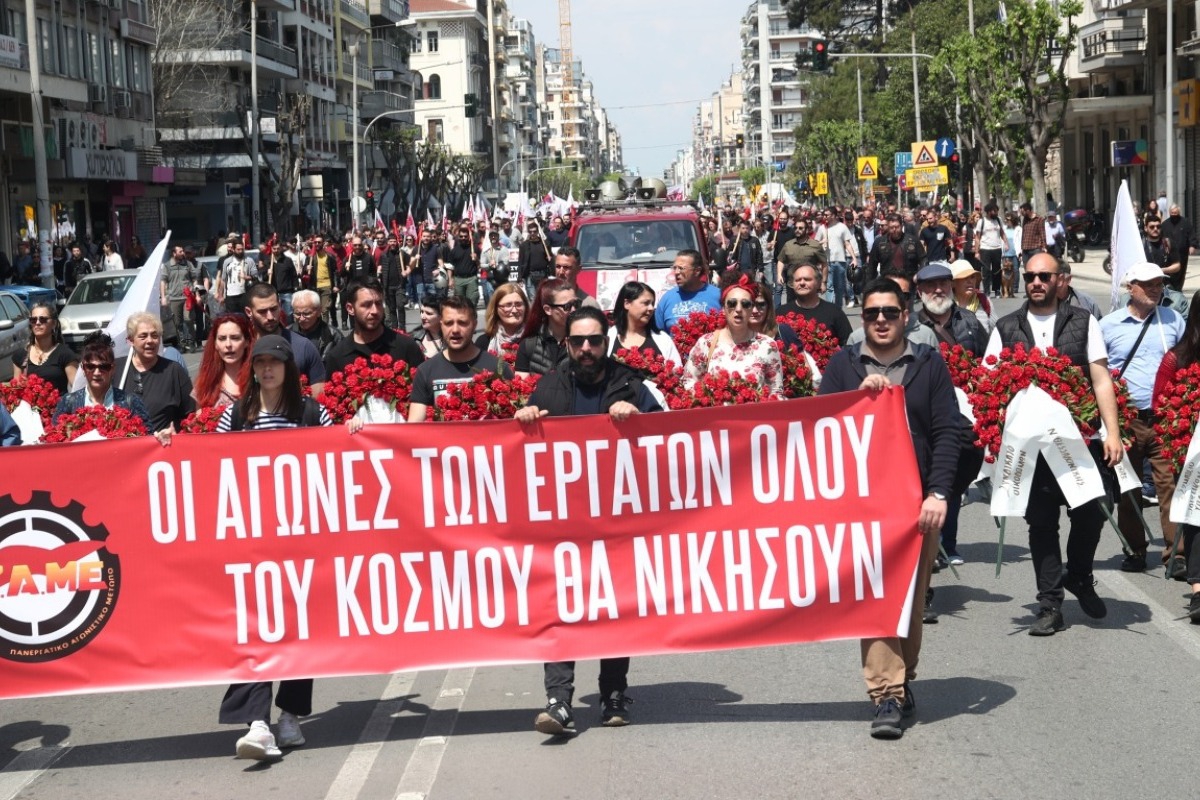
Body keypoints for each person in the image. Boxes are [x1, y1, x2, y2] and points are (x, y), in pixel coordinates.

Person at [818, 276, 959, 739]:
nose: (881, 320)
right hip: (861, 506)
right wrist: (858, 399)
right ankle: (886, 696)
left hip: (916, 505)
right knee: (878, 600)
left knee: (909, 604)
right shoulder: (842, 367)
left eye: (890, 312)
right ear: (862, 318)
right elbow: (821, 429)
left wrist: (938, 492)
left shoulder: (929, 366)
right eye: (872, 313)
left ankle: (902, 678)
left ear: (905, 316)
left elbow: (947, 434)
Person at [516, 305, 663, 736]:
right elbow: (519, 452)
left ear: (607, 342)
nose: (586, 349)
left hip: (618, 523)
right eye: (578, 341)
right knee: (560, 611)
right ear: (567, 344)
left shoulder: (632, 386)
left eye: (594, 341)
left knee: (613, 611)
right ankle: (559, 702)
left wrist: (638, 421)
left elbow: (671, 436)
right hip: (563, 525)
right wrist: (525, 419)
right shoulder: (548, 387)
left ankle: (613, 694)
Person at [984, 252, 1124, 635]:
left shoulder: (1082, 322)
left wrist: (1112, 432)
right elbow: (990, 386)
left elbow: (1100, 379)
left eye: (1044, 275)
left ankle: (1078, 574)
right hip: (1031, 450)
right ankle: (1049, 605)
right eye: (1030, 276)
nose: (1036, 282)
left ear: (1060, 278)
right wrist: (992, 440)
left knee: (1094, 511)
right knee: (1041, 524)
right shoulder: (1006, 326)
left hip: (1079, 440)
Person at [213, 334, 332, 760]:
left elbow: (338, 458)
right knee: (255, 627)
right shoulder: (236, 416)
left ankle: (290, 716)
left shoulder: (312, 412)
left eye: (274, 362)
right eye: (259, 362)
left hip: (301, 541)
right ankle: (257, 722)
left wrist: (354, 429)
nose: (267, 369)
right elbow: (209, 465)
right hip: (252, 542)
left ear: (288, 369)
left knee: (299, 628)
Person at [1101, 262, 1186, 576]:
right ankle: (1135, 550)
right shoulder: (1108, 325)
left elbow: (1187, 361)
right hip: (1126, 420)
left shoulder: (1173, 320)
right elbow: (1099, 372)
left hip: (1166, 418)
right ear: (1130, 287)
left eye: (1159, 283)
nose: (1155, 289)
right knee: (1128, 489)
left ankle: (1175, 553)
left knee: (1170, 485)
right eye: (1148, 283)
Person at [406, 295, 506, 422]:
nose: (455, 330)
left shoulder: (498, 368)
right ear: (441, 325)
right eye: (449, 323)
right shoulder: (425, 371)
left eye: (462, 323)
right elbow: (414, 427)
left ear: (474, 325)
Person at [683, 276, 784, 395]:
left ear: (752, 308)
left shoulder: (767, 345)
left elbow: (776, 391)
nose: (739, 309)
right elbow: (689, 382)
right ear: (723, 307)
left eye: (745, 304)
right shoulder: (706, 343)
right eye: (732, 303)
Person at [53, 331, 153, 433]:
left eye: (103, 367)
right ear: (83, 368)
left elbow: (148, 437)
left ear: (113, 368)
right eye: (90, 367)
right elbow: (55, 440)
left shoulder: (131, 402)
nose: (97, 373)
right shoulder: (68, 402)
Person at [322, 277, 425, 376]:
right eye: (366, 305)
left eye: (378, 303)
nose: (374, 311)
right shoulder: (337, 356)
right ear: (350, 308)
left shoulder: (406, 347)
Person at [114, 312, 195, 433]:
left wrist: (177, 432)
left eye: (155, 335)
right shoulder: (116, 369)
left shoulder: (174, 371)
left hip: (162, 447)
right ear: (130, 340)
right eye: (143, 336)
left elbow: (191, 415)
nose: (150, 340)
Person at [244, 283, 327, 393]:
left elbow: (319, 397)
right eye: (262, 311)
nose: (270, 317)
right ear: (249, 312)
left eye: (273, 309)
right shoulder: (241, 349)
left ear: (280, 305)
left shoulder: (304, 347)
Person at [776, 262, 854, 346]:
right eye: (797, 280)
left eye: (807, 279)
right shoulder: (781, 313)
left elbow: (849, 347)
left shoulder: (834, 312)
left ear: (818, 283)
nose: (802, 283)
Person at [608, 281, 683, 366]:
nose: (651, 308)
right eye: (646, 303)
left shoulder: (663, 339)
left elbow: (676, 373)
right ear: (627, 303)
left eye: (652, 304)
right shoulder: (608, 338)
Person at [12, 303, 78, 394]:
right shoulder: (20, 355)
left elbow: (77, 390)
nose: (37, 323)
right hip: (27, 407)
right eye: (33, 320)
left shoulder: (65, 355)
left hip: (58, 406)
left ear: (54, 324)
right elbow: (16, 391)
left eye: (43, 319)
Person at [192, 313, 255, 408]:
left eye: (235, 338)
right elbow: (199, 419)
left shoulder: (258, 378)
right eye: (222, 339)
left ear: (246, 341)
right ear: (215, 344)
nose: (228, 344)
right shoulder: (205, 384)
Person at [515, 278, 576, 376]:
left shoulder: (584, 342)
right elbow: (521, 387)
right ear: (548, 310)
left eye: (576, 304)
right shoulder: (529, 344)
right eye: (567, 306)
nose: (574, 309)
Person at [654, 250, 722, 332]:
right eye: (675, 268)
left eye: (681, 268)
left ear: (697, 271)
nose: (676, 272)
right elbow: (658, 334)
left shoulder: (719, 296)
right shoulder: (667, 298)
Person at [161, 245, 206, 352]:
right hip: (174, 298)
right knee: (177, 323)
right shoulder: (167, 266)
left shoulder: (188, 264)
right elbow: (163, 281)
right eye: (180, 251)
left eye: (182, 251)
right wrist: (163, 297)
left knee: (188, 319)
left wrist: (197, 294)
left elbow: (194, 279)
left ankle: (191, 342)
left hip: (187, 297)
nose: (183, 253)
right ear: (174, 253)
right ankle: (182, 344)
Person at [777, 218, 828, 300]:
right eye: (796, 228)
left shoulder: (815, 245)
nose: (797, 230)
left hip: (809, 285)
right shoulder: (788, 245)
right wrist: (779, 274)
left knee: (809, 311)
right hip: (792, 285)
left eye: (801, 228)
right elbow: (781, 260)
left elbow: (824, 264)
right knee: (792, 311)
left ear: (807, 230)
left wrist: (823, 282)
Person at [866, 213, 923, 282]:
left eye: (897, 227)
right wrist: (870, 285)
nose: (894, 229)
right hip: (888, 283)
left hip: (909, 282)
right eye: (891, 227)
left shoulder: (913, 241)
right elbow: (872, 265)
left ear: (902, 226)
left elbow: (923, 259)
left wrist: (919, 276)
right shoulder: (879, 242)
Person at [476, 283, 528, 356]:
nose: (514, 310)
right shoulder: (484, 342)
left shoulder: (536, 340)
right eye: (508, 305)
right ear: (495, 309)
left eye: (519, 304)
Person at [288, 289, 342, 358]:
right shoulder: (287, 334)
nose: (301, 318)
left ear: (319, 311)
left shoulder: (333, 335)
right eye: (298, 314)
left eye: (306, 313)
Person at [823, 209, 859, 307]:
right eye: (825, 215)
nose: (826, 217)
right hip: (827, 260)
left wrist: (854, 258)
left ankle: (838, 308)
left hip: (839, 260)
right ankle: (829, 307)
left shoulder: (842, 228)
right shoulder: (822, 228)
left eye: (828, 215)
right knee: (829, 286)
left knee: (840, 285)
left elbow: (847, 244)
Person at [974, 202, 1010, 299]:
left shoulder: (998, 220)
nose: (996, 213)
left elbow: (1002, 233)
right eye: (994, 211)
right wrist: (977, 252)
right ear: (989, 211)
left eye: (996, 211)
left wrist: (1006, 243)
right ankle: (986, 292)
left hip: (997, 248)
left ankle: (997, 290)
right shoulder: (981, 222)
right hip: (985, 249)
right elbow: (977, 237)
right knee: (985, 271)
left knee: (997, 271)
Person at [949, 260, 995, 333]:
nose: (970, 281)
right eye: (964, 278)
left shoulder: (985, 301)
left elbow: (996, 333)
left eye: (972, 277)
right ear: (953, 283)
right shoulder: (947, 306)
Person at [1161, 204, 1197, 292]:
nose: (1174, 215)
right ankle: (1170, 288)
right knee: (1170, 272)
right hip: (1169, 255)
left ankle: (1178, 289)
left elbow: (1192, 235)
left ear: (1179, 213)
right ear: (1169, 213)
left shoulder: (1186, 223)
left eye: (1176, 213)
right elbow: (1160, 237)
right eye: (1172, 213)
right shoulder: (1165, 225)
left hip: (1182, 254)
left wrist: (1192, 246)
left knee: (1181, 272)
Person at [215, 239, 256, 313]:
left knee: (245, 318)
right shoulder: (227, 262)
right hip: (230, 296)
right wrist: (220, 295)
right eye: (238, 249)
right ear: (233, 249)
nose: (240, 251)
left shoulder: (249, 261)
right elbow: (223, 279)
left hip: (245, 294)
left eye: (242, 249)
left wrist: (246, 277)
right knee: (233, 318)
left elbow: (256, 276)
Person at [517, 222, 553, 301]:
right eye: (530, 231)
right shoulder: (524, 245)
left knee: (543, 298)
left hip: (543, 274)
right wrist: (519, 278)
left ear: (537, 232)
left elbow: (550, 257)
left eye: (534, 231)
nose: (532, 233)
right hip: (530, 275)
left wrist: (550, 258)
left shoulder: (545, 244)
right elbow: (520, 261)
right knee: (533, 299)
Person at [265, 239, 299, 317]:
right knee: (275, 315)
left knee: (288, 314)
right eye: (274, 249)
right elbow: (263, 277)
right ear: (271, 249)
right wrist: (267, 273)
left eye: (278, 248)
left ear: (281, 248)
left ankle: (289, 328)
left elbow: (293, 275)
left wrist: (296, 287)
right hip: (273, 293)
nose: (276, 250)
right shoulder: (268, 261)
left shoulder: (287, 260)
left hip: (286, 292)